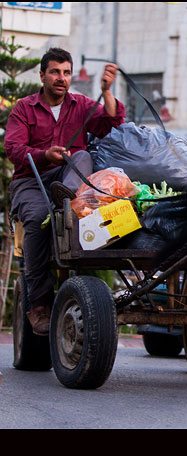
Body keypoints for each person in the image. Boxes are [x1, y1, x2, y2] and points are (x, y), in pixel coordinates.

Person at [4, 47, 126, 336]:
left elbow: (111, 123)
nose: (62, 78)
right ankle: (39, 306)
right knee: (37, 219)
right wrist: (46, 154)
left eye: (67, 72)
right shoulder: (24, 108)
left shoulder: (81, 104)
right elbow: (13, 149)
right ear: (43, 75)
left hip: (69, 177)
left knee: (82, 156)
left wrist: (107, 91)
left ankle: (66, 199)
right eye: (55, 72)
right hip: (31, 180)